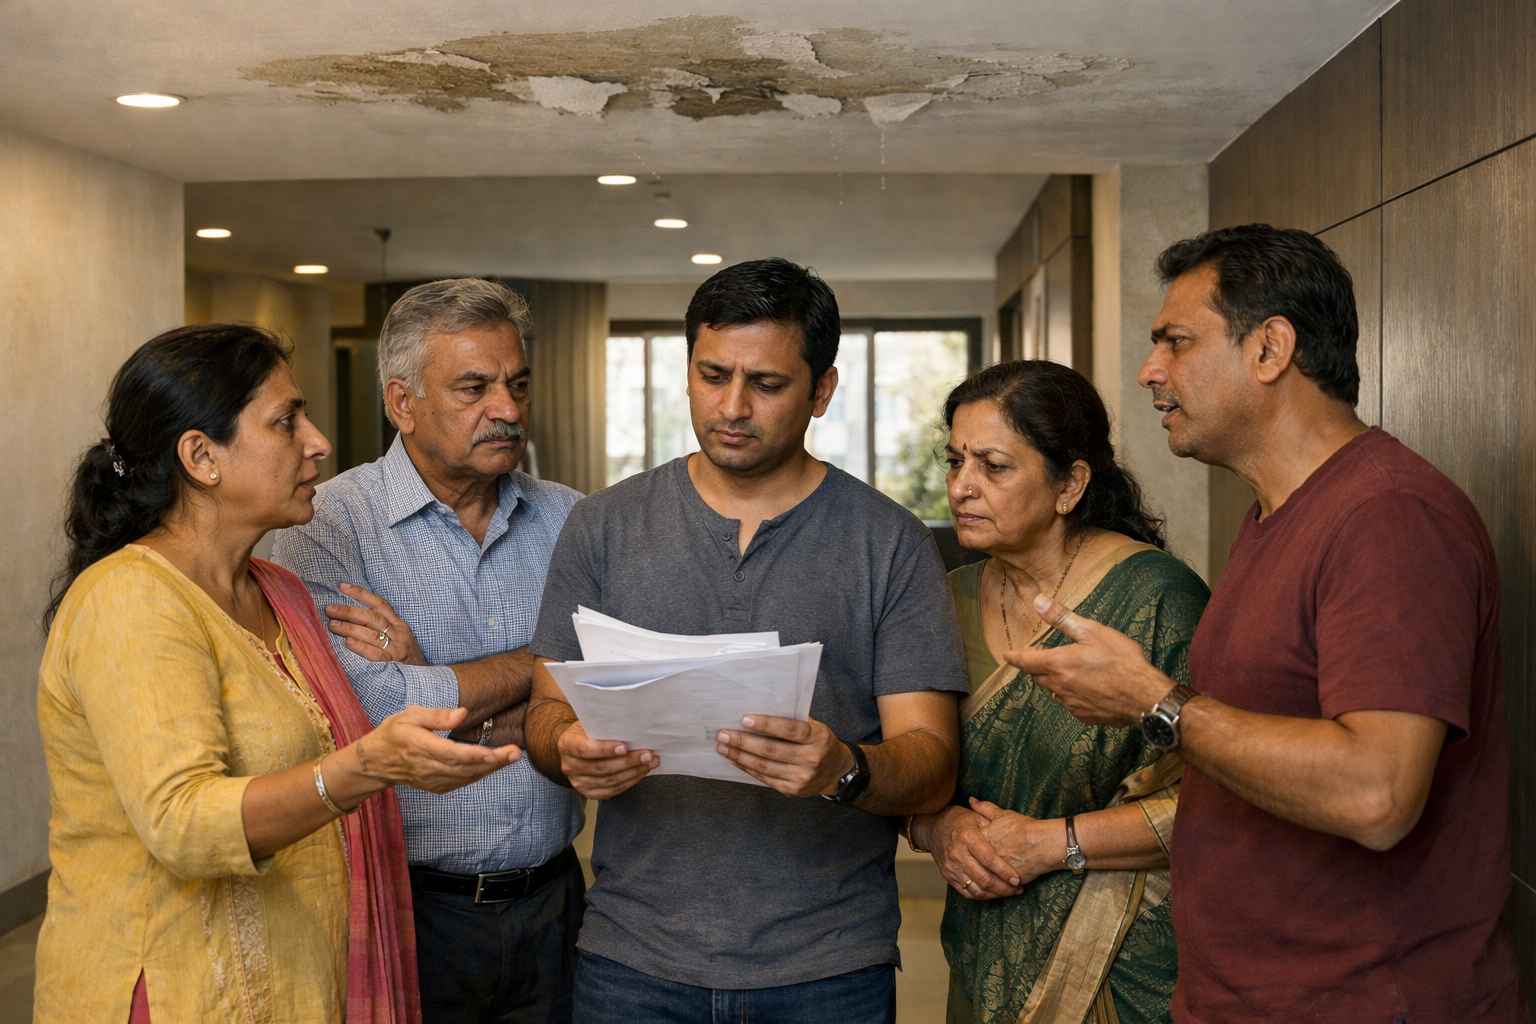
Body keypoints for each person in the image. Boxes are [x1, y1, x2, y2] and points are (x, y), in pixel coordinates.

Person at [1010, 225, 1527, 1023]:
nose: (1149, 372)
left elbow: (1376, 794)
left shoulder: (1388, 516)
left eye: (1176, 342)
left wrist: (1155, 701)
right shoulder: (1273, 515)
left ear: (1270, 348)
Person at [522, 257, 969, 1024]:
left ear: (822, 390)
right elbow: (543, 712)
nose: (732, 406)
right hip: (634, 956)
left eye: (766, 383)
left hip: (829, 963)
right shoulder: (603, 526)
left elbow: (930, 765)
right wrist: (566, 748)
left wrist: (843, 768)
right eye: (712, 374)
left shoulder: (888, 542)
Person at [35, 324, 520, 1024]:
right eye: (286, 421)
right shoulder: (132, 599)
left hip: (292, 982)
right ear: (201, 455)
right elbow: (182, 823)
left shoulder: (278, 592)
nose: (318, 441)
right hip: (178, 989)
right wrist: (366, 766)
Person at [273, 279, 586, 1024]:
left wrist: (428, 682)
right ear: (402, 403)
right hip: (405, 906)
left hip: (557, 906)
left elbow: (603, 692)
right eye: (474, 388)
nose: (507, 409)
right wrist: (542, 672)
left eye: (517, 384)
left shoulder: (571, 519)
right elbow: (365, 711)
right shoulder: (326, 524)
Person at [907, 361, 1208, 1024]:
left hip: (1130, 960)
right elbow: (915, 766)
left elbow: (1219, 801)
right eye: (954, 461)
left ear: (1070, 484)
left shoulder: (1157, 597)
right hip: (986, 949)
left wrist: (1054, 842)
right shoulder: (945, 602)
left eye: (993, 465)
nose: (961, 487)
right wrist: (939, 826)